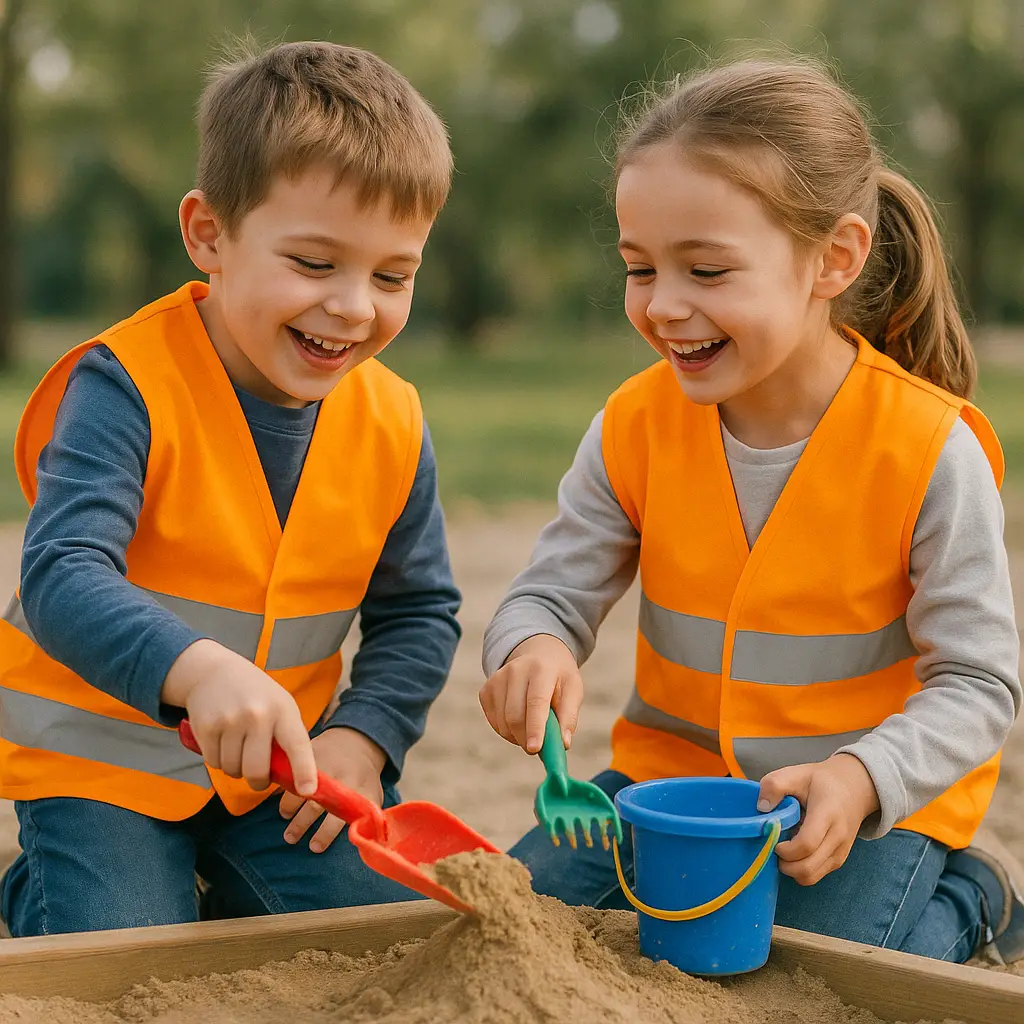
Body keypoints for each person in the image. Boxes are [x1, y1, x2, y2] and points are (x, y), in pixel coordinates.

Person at [479, 58, 1023, 965]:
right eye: (640, 267)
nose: (664, 305)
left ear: (834, 259)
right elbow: (550, 595)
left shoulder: (929, 448)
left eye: (707, 269)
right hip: (666, 789)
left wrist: (861, 776)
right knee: (509, 926)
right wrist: (530, 647)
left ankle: (968, 894)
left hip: (863, 803)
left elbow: (980, 684)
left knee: (796, 970)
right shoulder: (634, 425)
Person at [0, 40, 461, 936]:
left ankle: (215, 879)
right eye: (315, 264)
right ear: (210, 234)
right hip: (105, 763)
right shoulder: (125, 382)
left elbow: (418, 613)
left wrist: (364, 738)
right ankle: (41, 892)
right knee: (122, 944)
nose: (354, 307)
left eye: (393, 276)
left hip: (280, 774)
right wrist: (196, 669)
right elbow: (61, 572)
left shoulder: (393, 418)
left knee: (387, 930)